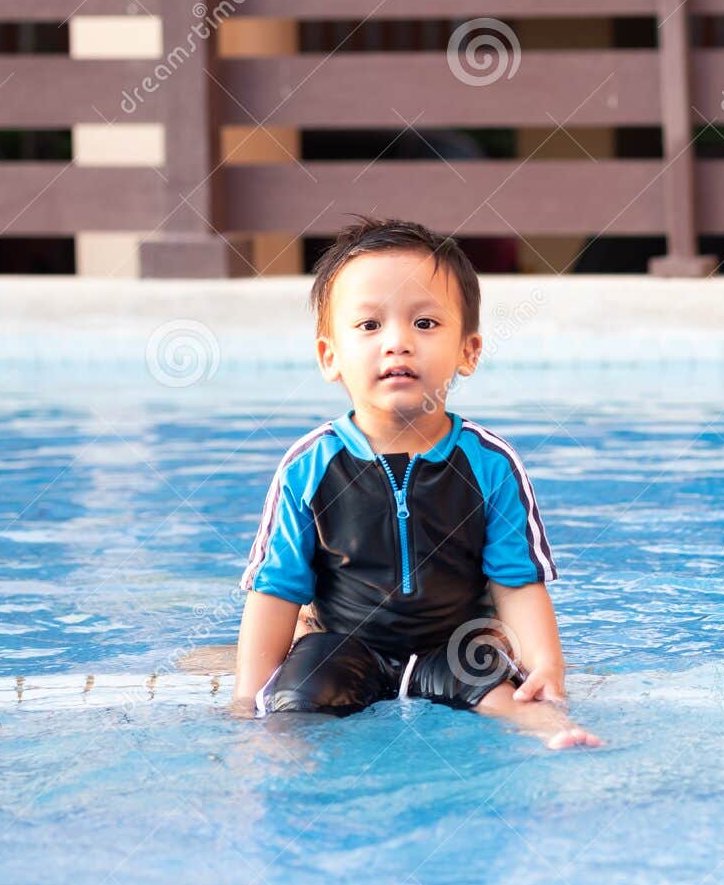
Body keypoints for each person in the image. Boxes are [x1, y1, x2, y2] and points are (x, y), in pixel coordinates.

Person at [230, 217, 599, 750]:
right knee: (294, 705)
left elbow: (516, 581)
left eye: (425, 324)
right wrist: (248, 699)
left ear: (468, 352)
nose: (398, 343)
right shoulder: (308, 468)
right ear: (329, 357)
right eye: (369, 326)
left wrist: (547, 671)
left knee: (501, 691)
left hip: (454, 645)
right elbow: (275, 592)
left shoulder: (490, 464)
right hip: (344, 645)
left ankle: (552, 731)